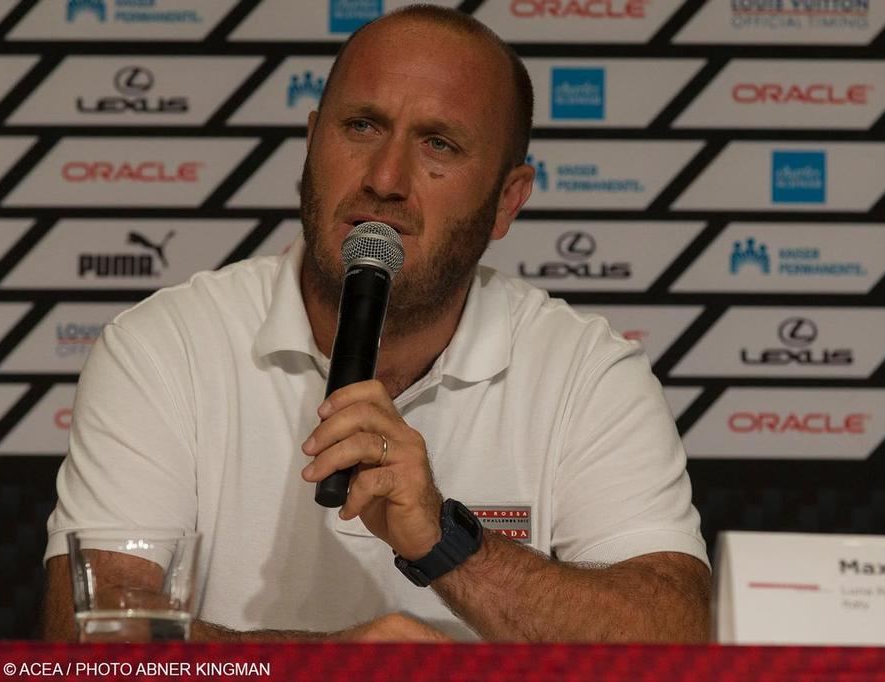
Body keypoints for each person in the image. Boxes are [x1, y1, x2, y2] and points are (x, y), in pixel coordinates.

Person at [42, 5, 710, 642]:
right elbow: (94, 638)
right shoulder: (165, 348)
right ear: (310, 147)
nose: (386, 179)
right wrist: (334, 666)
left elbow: (675, 645)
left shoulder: (586, 374)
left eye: (438, 145)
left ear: (507, 202)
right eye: (361, 127)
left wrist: (450, 544)